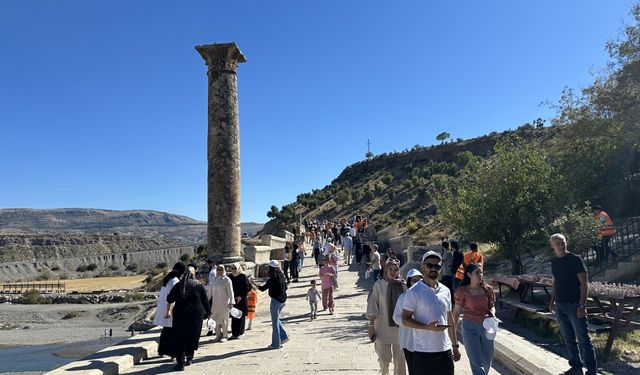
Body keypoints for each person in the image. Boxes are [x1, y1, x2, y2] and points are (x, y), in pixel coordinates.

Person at [402, 251, 461, 375]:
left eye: (437, 266)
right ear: (423, 266)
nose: (433, 269)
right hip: (423, 352)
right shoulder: (414, 291)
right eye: (430, 265)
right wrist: (427, 327)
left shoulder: (445, 291)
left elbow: (450, 320)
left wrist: (455, 346)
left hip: (445, 351)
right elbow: (405, 319)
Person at [549, 234, 597, 375]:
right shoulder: (554, 262)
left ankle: (592, 371)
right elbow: (556, 283)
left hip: (575, 305)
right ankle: (576, 367)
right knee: (568, 338)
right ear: (552, 246)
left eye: (563, 242)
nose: (561, 245)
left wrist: (582, 305)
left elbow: (584, 284)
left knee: (583, 339)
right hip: (561, 305)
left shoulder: (575, 260)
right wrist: (552, 301)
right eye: (557, 243)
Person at [452, 263, 496, 375]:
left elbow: (492, 306)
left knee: (487, 359)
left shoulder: (488, 289)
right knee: (476, 361)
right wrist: (453, 332)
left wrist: (493, 314)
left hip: (487, 327)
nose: (480, 274)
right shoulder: (462, 291)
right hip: (470, 328)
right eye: (477, 272)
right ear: (469, 274)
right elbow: (456, 312)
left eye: (481, 272)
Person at [166, 266, 211, 371]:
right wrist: (208, 312)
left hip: (180, 315)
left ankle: (180, 363)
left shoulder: (178, 286)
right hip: (196, 315)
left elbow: (169, 299)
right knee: (192, 335)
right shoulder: (199, 285)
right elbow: (205, 300)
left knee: (180, 338)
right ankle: (190, 357)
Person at [367, 259, 407, 375]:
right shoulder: (379, 285)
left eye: (396, 270)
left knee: (400, 359)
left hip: (400, 329)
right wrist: (371, 326)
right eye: (390, 269)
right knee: (384, 358)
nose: (393, 272)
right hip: (382, 328)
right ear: (385, 269)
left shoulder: (403, 286)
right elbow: (373, 306)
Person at [249, 260, 289, 349]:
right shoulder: (282, 276)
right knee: (276, 320)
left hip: (275, 301)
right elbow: (285, 287)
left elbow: (262, 288)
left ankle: (276, 344)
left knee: (274, 323)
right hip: (283, 300)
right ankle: (283, 337)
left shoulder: (272, 279)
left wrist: (253, 283)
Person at [393, 269, 424, 375]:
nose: (417, 283)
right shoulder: (403, 298)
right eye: (414, 280)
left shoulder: (427, 297)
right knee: (413, 370)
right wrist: (409, 321)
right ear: (409, 282)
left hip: (425, 341)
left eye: (419, 280)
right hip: (408, 340)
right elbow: (396, 317)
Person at [153, 262, 185, 358]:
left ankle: (162, 351)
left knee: (166, 331)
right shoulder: (175, 281)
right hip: (170, 309)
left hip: (165, 308)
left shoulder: (167, 280)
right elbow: (172, 298)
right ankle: (172, 353)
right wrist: (170, 311)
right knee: (173, 332)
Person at [208, 265, 234, 342]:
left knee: (224, 320)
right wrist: (205, 300)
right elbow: (210, 292)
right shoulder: (214, 280)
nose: (219, 271)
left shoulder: (227, 280)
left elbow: (230, 292)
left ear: (224, 270)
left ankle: (225, 336)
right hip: (215, 303)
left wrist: (231, 302)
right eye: (218, 269)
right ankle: (218, 335)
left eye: (221, 269)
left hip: (224, 303)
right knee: (214, 319)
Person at [228, 262, 251, 340]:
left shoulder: (243, 276)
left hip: (241, 299)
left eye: (235, 268)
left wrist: (240, 296)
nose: (233, 270)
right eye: (232, 268)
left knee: (240, 316)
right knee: (234, 316)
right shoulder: (230, 277)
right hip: (233, 299)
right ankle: (234, 333)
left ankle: (240, 333)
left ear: (238, 268)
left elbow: (248, 287)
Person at [205, 258, 216, 336]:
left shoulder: (212, 272)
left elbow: (210, 285)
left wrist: (203, 286)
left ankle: (210, 330)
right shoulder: (217, 270)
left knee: (209, 313)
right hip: (217, 294)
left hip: (211, 294)